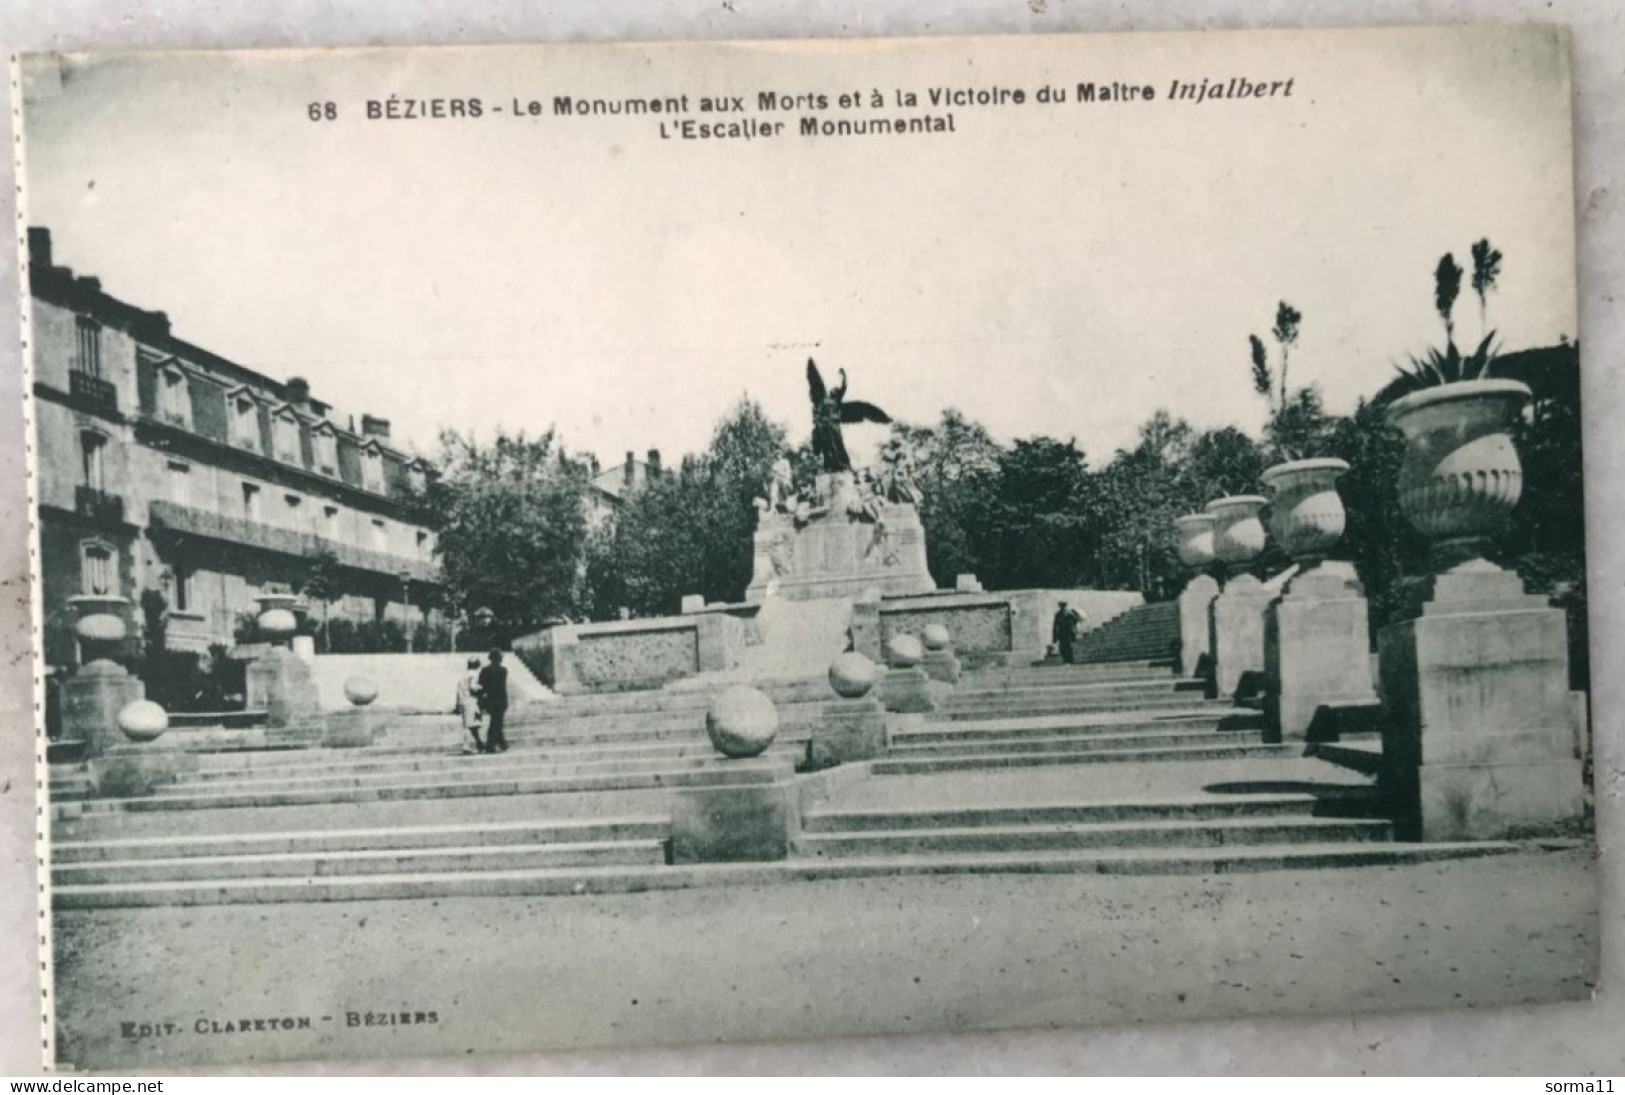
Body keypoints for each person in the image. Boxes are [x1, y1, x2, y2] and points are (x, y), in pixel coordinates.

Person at [477, 649, 510, 753]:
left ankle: (501, 743)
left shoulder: (485, 670)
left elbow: (481, 685)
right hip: (501, 699)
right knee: (497, 722)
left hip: (490, 699)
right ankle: (491, 745)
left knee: (496, 721)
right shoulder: (503, 670)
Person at [454, 655, 485, 753]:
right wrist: (483, 688)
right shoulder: (474, 674)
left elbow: (458, 691)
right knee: (469, 725)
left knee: (471, 724)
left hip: (464, 701)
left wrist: (458, 703)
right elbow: (473, 687)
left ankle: (479, 742)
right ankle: (466, 745)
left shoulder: (463, 675)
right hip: (471, 701)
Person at [1052, 601, 1087, 665]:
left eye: (1063, 606)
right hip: (1061, 633)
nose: (1062, 607)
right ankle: (1066, 660)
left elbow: (1077, 619)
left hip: (1068, 632)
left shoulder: (1069, 613)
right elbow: (1055, 625)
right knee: (1062, 647)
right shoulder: (1058, 614)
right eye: (1061, 606)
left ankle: (1069, 660)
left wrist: (1073, 626)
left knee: (1068, 647)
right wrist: (1054, 636)